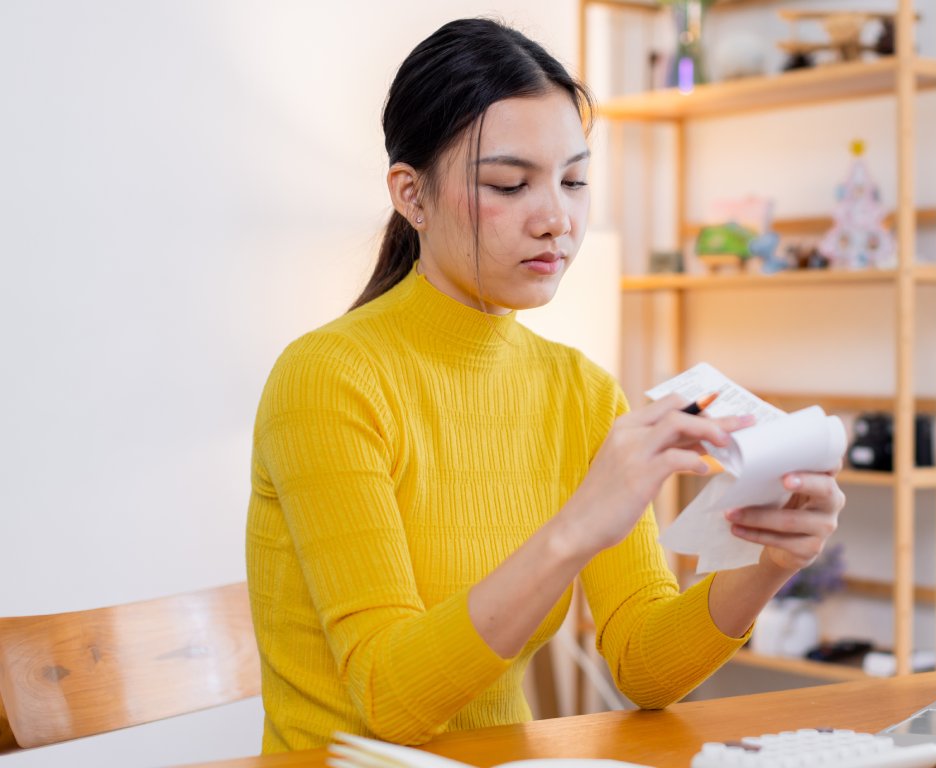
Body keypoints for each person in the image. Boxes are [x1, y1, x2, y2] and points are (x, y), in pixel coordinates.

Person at [245, 17, 845, 753]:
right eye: (509, 184)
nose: (557, 219)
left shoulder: (581, 391)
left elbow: (645, 667)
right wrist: (576, 528)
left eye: (574, 180)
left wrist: (770, 563)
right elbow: (387, 699)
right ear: (412, 195)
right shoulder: (328, 379)